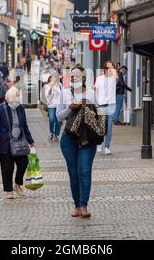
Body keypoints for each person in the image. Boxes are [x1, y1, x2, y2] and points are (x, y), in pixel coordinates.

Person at [56, 66, 97, 218]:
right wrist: (69, 108)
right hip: (68, 137)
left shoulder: (92, 94)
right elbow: (58, 117)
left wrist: (87, 108)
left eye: (77, 77)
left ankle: (84, 205)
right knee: (73, 173)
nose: (73, 79)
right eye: (71, 77)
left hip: (88, 137)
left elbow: (100, 117)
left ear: (84, 78)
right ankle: (77, 205)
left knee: (84, 171)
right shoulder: (64, 94)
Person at [0, 87, 36, 199]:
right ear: (7, 100)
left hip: (19, 140)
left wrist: (30, 140)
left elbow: (24, 125)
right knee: (7, 167)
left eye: (17, 102)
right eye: (13, 102)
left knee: (24, 162)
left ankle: (17, 184)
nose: (15, 104)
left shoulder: (20, 108)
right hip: (5, 142)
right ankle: (8, 190)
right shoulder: (0, 109)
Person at [94, 61, 118, 155]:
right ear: (104, 69)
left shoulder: (113, 78)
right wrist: (96, 103)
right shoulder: (99, 78)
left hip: (111, 104)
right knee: (101, 125)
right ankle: (99, 143)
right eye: (108, 67)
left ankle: (107, 147)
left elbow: (116, 76)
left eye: (112, 68)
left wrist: (111, 67)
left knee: (109, 127)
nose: (110, 69)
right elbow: (96, 91)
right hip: (101, 104)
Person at [42, 75, 62, 141]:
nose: (54, 78)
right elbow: (46, 95)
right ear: (50, 78)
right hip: (51, 105)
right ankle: (51, 133)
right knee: (51, 119)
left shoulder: (59, 85)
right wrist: (51, 88)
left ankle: (56, 134)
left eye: (55, 77)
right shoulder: (46, 86)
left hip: (59, 105)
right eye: (53, 77)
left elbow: (62, 94)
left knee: (58, 121)